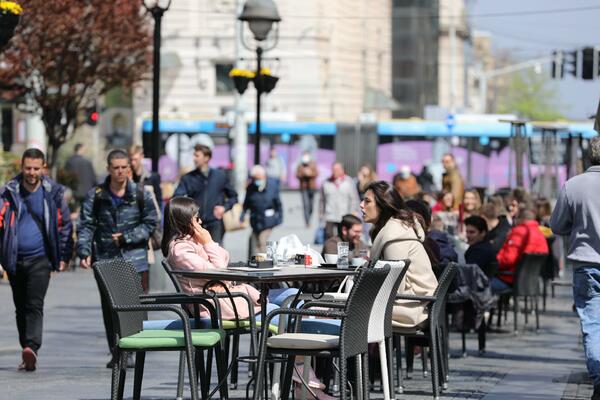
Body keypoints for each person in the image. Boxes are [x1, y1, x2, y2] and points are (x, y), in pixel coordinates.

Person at [77, 149, 158, 368]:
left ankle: (131, 349)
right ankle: (117, 350)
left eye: (124, 167)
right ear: (109, 169)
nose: (121, 172)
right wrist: (83, 251)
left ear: (129, 169)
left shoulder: (140, 194)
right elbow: (86, 224)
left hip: (135, 259)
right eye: (116, 168)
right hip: (105, 259)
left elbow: (151, 223)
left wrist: (127, 238)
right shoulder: (97, 195)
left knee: (132, 306)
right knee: (109, 307)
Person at [0, 148, 73, 371]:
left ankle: (32, 346)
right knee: (20, 306)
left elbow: (65, 226)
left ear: (43, 169)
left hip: (40, 258)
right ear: (21, 168)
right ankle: (27, 350)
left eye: (36, 168)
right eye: (28, 168)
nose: (31, 172)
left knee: (34, 303)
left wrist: (63, 255)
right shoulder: (8, 193)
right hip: (13, 258)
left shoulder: (53, 193)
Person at [550, 135, 600, 400]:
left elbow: (557, 226)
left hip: (587, 264)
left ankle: (599, 382)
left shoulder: (573, 186)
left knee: (593, 325)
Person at [360, 181, 438, 328]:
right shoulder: (395, 229)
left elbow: (396, 286)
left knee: (353, 310)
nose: (361, 205)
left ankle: (365, 351)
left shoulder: (394, 235)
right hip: (414, 302)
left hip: (412, 307)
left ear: (383, 205)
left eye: (367, 201)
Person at [173, 144, 238, 244]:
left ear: (206, 158)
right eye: (194, 155)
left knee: (216, 255)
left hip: (215, 224)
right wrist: (187, 212)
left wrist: (224, 208)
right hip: (195, 224)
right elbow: (177, 199)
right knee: (197, 256)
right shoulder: (188, 178)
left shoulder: (220, 175)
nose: (194, 159)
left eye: (197, 155)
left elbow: (234, 197)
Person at [492, 208, 548, 294]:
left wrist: (493, 262)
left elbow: (508, 259)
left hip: (510, 280)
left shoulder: (519, 232)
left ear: (520, 219)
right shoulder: (539, 233)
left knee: (476, 283)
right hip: (529, 281)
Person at [241, 165, 283, 255]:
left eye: (258, 178)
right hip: (255, 219)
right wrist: (242, 216)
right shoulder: (251, 188)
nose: (256, 181)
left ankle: (262, 262)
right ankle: (253, 261)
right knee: (252, 240)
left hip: (268, 220)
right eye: (254, 179)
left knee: (262, 240)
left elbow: (278, 204)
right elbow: (246, 204)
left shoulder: (272, 186)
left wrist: (279, 218)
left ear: (263, 176)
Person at [319, 162, 360, 240]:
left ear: (342, 170)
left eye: (337, 169)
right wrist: (321, 214)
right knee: (329, 236)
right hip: (329, 215)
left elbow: (354, 198)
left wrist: (354, 212)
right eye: (333, 169)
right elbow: (322, 200)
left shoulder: (349, 182)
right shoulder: (326, 182)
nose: (335, 171)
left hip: (344, 214)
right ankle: (330, 250)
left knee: (343, 236)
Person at [129, 145, 162, 209]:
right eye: (131, 160)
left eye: (135, 159)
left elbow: (158, 201)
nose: (133, 163)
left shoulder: (152, 177)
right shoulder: (127, 177)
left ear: (142, 157)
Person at [296, 151, 318, 227]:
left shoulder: (313, 164)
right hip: (304, 188)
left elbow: (316, 173)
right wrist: (303, 173)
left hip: (312, 187)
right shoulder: (300, 165)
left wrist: (310, 173)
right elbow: (297, 175)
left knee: (311, 205)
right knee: (306, 205)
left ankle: (309, 216)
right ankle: (307, 221)